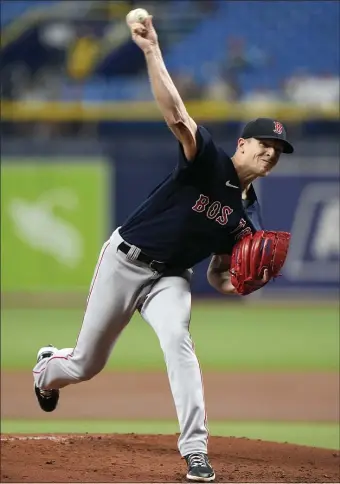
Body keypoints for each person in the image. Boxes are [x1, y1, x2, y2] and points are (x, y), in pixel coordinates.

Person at [33, 15, 294, 483]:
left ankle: (195, 451)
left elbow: (217, 272)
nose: (271, 152)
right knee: (85, 364)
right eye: (265, 143)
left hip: (171, 277)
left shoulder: (248, 218)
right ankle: (46, 369)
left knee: (179, 341)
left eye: (278, 148)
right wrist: (152, 49)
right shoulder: (208, 160)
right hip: (125, 258)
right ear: (243, 143)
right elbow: (176, 114)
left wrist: (232, 285)